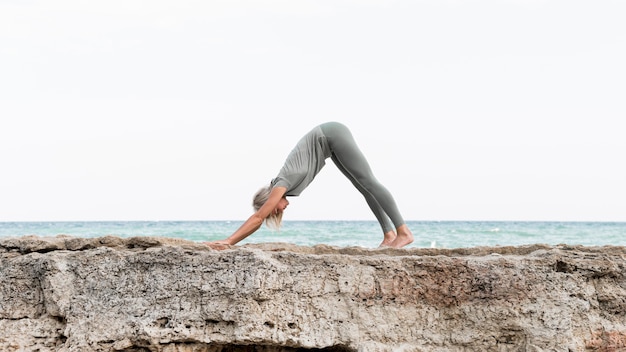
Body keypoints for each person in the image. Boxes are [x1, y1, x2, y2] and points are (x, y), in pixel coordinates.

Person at [206, 122, 413, 250]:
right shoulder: (284, 184)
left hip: (331, 134)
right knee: (362, 185)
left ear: (270, 200)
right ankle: (389, 235)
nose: (281, 210)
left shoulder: (282, 183)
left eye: (274, 209)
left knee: (368, 181)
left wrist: (229, 241)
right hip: (329, 142)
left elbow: (258, 217)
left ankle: (403, 232)